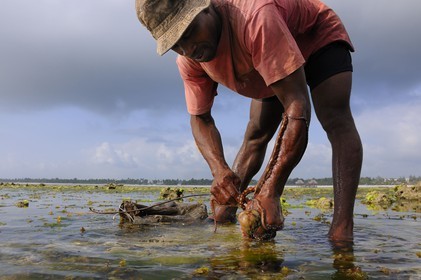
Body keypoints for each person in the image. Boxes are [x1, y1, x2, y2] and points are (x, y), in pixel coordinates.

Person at [135, 0, 363, 242]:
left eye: (189, 32)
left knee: (335, 120)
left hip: (314, 38)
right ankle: (226, 217)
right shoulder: (189, 59)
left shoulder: (254, 17)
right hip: (265, 56)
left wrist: (271, 191)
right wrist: (219, 170)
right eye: (176, 45)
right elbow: (200, 117)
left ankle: (342, 231)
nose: (188, 49)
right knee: (254, 137)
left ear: (206, 6)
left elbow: (296, 107)